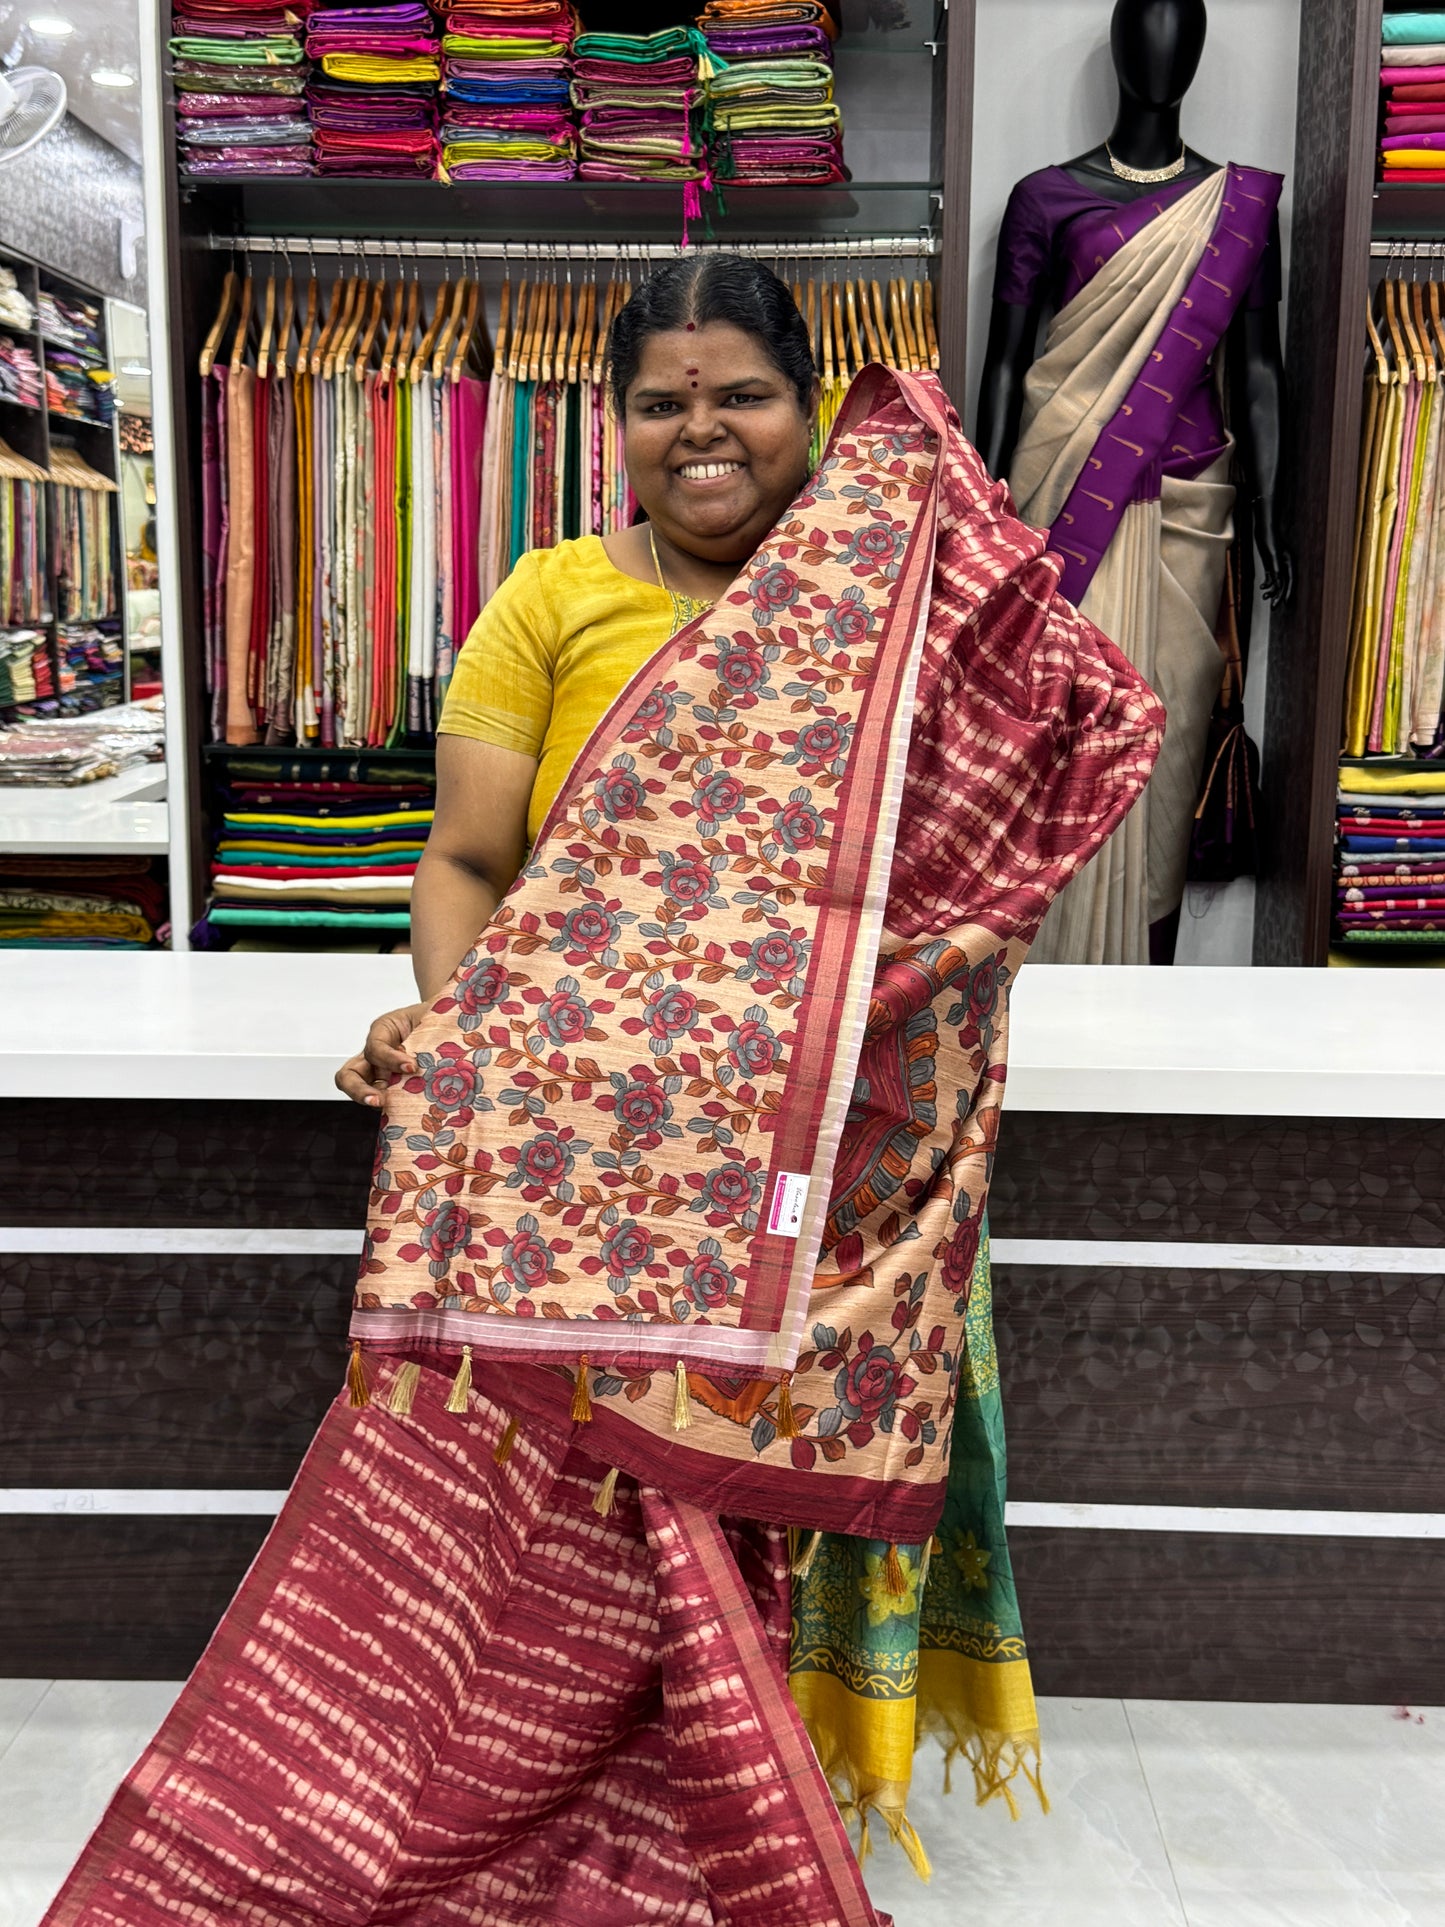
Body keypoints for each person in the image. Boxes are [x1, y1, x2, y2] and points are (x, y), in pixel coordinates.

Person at [45, 255, 1163, 1927]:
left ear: (809, 406)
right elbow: (469, 862)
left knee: (754, 1532)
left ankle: (758, 1791)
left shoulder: (906, 610)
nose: (701, 433)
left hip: (820, 1177)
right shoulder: (553, 596)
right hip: (592, 1189)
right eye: (661, 403)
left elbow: (1077, 736)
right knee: (570, 1541)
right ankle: (584, 1799)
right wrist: (470, 1037)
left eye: (743, 396)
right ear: (617, 422)